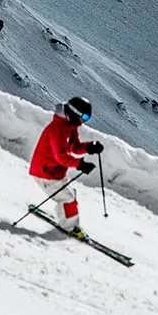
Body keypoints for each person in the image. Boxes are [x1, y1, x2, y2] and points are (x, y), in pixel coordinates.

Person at [29, 96, 103, 237]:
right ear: (75, 113)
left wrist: (90, 147)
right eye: (84, 117)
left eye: (87, 118)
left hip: (55, 172)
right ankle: (71, 228)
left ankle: (65, 218)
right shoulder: (58, 129)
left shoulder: (70, 126)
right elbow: (61, 157)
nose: (84, 121)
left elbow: (74, 147)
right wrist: (80, 164)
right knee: (67, 198)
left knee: (70, 194)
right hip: (45, 173)